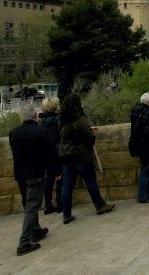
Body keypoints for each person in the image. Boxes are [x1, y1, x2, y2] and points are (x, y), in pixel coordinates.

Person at [58, 94, 115, 224]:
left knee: (67, 186)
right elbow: (90, 137)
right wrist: (91, 137)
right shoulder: (80, 120)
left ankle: (66, 214)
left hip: (67, 156)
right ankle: (100, 206)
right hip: (81, 155)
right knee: (90, 181)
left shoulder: (61, 120)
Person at [9, 103, 52, 256]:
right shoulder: (40, 132)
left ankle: (36, 231)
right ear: (35, 116)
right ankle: (24, 242)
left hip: (20, 175)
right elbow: (48, 153)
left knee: (28, 203)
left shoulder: (13, 133)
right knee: (32, 206)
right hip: (36, 174)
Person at [129, 92, 149, 203]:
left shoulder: (136, 110)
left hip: (138, 145)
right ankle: (143, 195)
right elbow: (148, 131)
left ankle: (145, 194)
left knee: (145, 169)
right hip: (146, 146)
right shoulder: (146, 112)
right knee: (146, 170)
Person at [39, 97, 62, 215]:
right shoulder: (58, 120)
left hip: (46, 153)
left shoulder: (41, 123)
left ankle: (48, 204)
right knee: (60, 177)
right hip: (58, 151)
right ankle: (60, 203)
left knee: (49, 179)